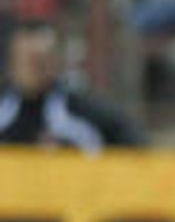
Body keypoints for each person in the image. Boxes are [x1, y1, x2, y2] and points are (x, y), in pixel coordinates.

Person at [0, 18, 143, 150]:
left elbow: (140, 154)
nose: (33, 69)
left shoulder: (87, 114)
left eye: (40, 61)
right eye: (26, 60)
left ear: (56, 61)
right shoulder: (5, 111)